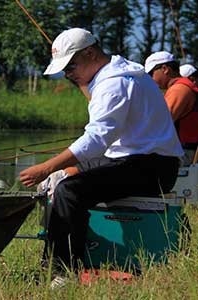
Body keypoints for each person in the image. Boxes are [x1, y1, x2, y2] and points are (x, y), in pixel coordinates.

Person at [19, 28, 183, 287]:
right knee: (59, 178)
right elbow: (101, 126)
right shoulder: (119, 71)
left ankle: (62, 272)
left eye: (70, 66)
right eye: (64, 70)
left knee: (69, 191)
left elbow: (96, 140)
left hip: (151, 167)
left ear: (90, 53)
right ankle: (54, 259)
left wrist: (45, 166)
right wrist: (55, 169)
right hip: (138, 159)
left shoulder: (114, 83)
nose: (67, 74)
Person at [145, 52, 198, 165]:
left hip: (184, 152)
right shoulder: (181, 87)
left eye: (151, 74)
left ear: (165, 69)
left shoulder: (179, 89)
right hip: (185, 150)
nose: (150, 78)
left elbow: (160, 122)